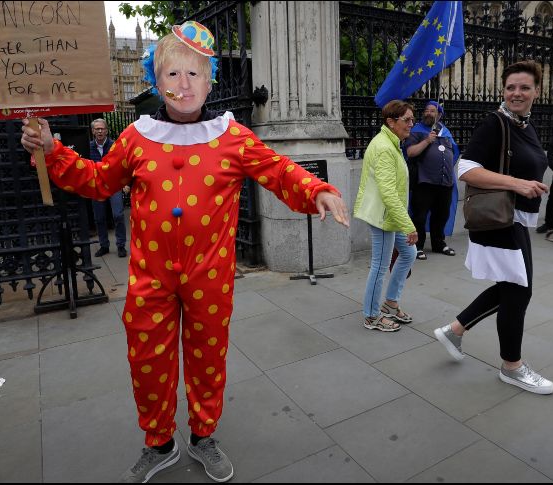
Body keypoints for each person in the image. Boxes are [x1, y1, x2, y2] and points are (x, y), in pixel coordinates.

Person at [20, 21, 350, 483]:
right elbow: (97, 182)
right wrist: (53, 149)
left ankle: (203, 437)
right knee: (147, 359)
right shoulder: (136, 138)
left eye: (194, 75)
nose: (184, 84)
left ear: (209, 80)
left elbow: (278, 170)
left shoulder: (231, 137)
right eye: (173, 75)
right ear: (158, 82)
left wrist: (316, 190)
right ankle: (159, 443)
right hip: (149, 277)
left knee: (207, 359)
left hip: (209, 277)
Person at [433, 60, 553, 395]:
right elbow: (466, 169)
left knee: (511, 288)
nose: (517, 93)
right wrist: (517, 184)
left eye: (524, 87)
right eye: (511, 87)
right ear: (503, 90)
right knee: (519, 292)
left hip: (516, 218)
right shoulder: (495, 123)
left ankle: (454, 331)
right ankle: (512, 367)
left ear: (536, 92)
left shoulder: (525, 126)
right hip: (501, 217)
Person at [354, 100, 418, 332]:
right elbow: (388, 192)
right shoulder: (384, 147)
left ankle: (390, 302)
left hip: (391, 216)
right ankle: (371, 315)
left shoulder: (392, 143)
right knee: (380, 265)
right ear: (391, 122)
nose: (411, 124)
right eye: (407, 120)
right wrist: (409, 225)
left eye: (413, 119)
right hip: (383, 217)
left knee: (408, 253)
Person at [405, 100, 460, 260]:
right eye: (427, 110)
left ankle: (439, 243)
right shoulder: (416, 131)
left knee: (441, 214)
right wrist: (427, 141)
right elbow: (410, 152)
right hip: (424, 181)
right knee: (420, 215)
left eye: (432, 111)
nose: (429, 113)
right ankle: (418, 245)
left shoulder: (445, 131)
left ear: (439, 115)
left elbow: (454, 152)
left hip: (445, 182)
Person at [89, 118, 129, 258]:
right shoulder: (89, 147)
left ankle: (121, 245)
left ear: (106, 130)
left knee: (118, 215)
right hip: (97, 186)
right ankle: (104, 245)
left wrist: (125, 183)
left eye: (102, 128)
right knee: (99, 218)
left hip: (113, 184)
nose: (100, 131)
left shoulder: (114, 146)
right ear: (93, 131)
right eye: (97, 129)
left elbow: (122, 164)